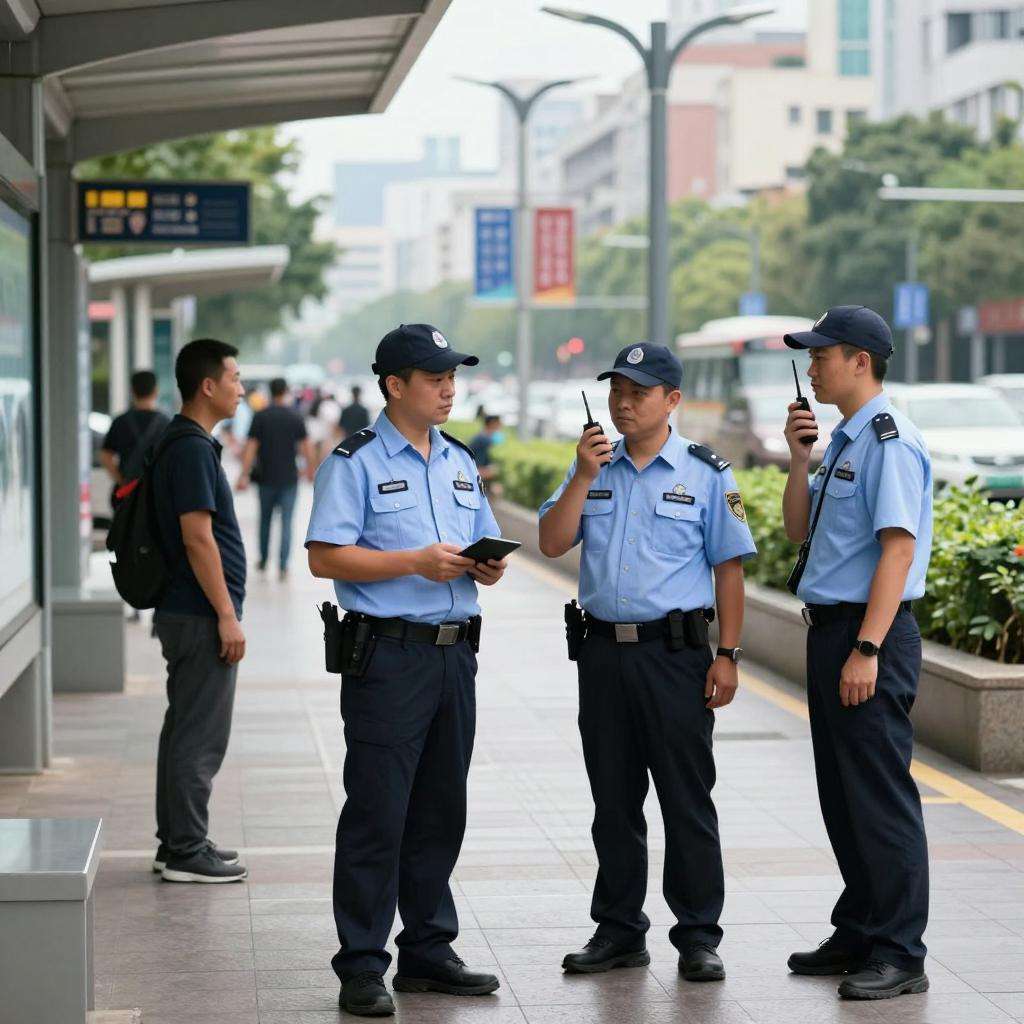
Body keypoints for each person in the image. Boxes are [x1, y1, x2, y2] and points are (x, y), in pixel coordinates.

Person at [305, 323, 508, 1017]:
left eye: (453, 375)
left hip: (456, 654)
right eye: (435, 377)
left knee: (439, 808)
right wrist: (412, 562)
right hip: (388, 656)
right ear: (395, 385)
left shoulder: (456, 460)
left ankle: (427, 948)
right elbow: (324, 556)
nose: (450, 388)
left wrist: (490, 563)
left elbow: (491, 557)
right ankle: (363, 962)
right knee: (378, 811)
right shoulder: (353, 461)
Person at [538, 343, 756, 983]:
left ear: (673, 400)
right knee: (613, 798)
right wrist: (580, 476)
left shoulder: (705, 473)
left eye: (638, 392)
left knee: (686, 798)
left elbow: (730, 570)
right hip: (602, 654)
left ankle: (697, 936)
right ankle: (619, 930)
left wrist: (728, 656)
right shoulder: (592, 469)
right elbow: (552, 542)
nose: (623, 404)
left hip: (676, 657)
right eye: (616, 393)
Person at [781, 306, 932, 1000]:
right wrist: (799, 459)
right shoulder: (844, 441)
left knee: (879, 796)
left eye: (822, 355)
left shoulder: (888, 442)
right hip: (833, 630)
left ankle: (900, 950)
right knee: (842, 795)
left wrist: (868, 647)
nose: (812, 366)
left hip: (868, 634)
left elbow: (898, 548)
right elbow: (796, 529)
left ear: (860, 361)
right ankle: (862, 927)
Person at [149, 338, 249, 884]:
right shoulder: (189, 447)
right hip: (198, 614)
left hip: (185, 611)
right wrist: (227, 615)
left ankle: (177, 842)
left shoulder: (185, 441)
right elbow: (198, 538)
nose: (240, 387)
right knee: (198, 735)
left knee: (183, 728)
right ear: (207, 385)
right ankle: (187, 850)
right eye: (234, 377)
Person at [237, 377, 314, 579]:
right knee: (287, 522)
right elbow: (306, 447)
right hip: (289, 478)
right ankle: (283, 565)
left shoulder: (261, 416)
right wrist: (310, 472)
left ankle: (263, 560)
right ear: (286, 391)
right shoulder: (295, 416)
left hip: (266, 478)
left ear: (270, 392)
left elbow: (251, 447)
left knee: (265, 520)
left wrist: (244, 475)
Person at [100, 370, 171, 507]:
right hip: (156, 495)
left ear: (132, 391)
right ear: (156, 391)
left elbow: (105, 456)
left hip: (127, 493)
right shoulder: (166, 424)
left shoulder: (120, 422)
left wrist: (122, 480)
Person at [469, 414, 503, 494]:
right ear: (492, 424)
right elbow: (477, 471)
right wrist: (491, 472)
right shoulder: (483, 441)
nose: (500, 428)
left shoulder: (481, 438)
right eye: (499, 424)